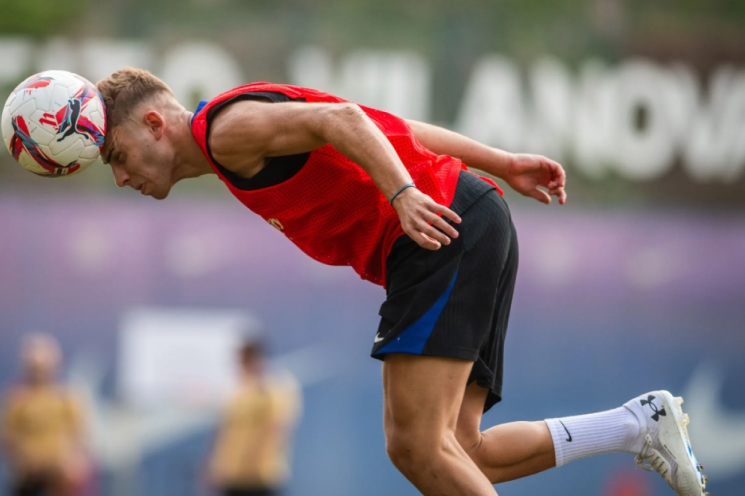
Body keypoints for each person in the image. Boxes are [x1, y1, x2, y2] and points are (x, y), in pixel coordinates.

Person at [93, 68, 708, 496]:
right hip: (466, 214)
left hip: (437, 228)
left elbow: (342, 118)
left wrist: (404, 193)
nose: (120, 177)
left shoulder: (224, 132)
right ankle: (636, 424)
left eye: (117, 155)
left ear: (154, 124)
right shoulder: (230, 129)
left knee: (415, 446)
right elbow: (388, 126)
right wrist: (502, 162)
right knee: (462, 450)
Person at [0, 333, 88, 496]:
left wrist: (72, 464)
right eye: (35, 367)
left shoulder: (65, 398)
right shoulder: (16, 399)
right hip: (27, 480)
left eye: (44, 367)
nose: (40, 372)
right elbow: (5, 439)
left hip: (59, 481)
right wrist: (23, 458)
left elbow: (79, 438)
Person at [208, 339, 301, 496]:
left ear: (256, 359)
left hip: (261, 474)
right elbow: (226, 430)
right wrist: (215, 465)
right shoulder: (240, 389)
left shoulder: (275, 386)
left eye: (244, 361)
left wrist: (252, 458)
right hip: (233, 473)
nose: (241, 367)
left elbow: (276, 427)